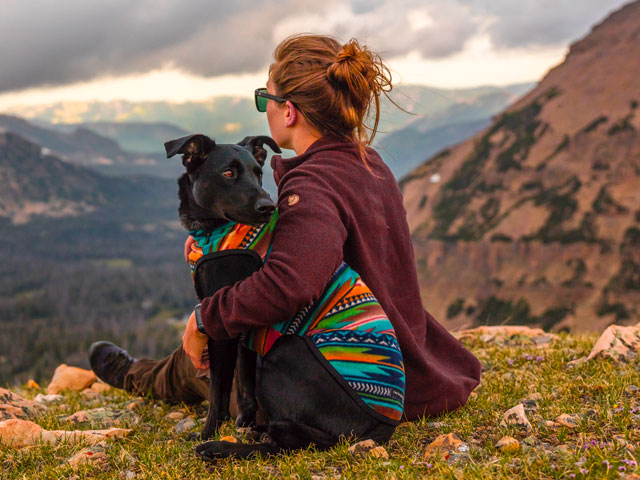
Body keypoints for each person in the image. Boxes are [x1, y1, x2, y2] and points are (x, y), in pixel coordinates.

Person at [90, 33, 481, 422]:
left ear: (289, 111)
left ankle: (133, 375)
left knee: (198, 362)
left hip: (345, 380)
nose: (266, 109)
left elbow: (290, 283)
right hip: (404, 359)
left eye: (266, 98)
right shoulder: (369, 162)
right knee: (218, 332)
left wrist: (203, 317)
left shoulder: (312, 181)